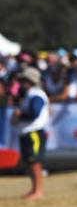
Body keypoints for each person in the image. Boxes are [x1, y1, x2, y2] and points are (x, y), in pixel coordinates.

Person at [11, 67, 49, 200]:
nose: (21, 83)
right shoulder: (30, 94)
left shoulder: (36, 94)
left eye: (24, 80)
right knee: (29, 162)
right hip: (28, 132)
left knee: (35, 162)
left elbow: (34, 113)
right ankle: (34, 189)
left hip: (34, 133)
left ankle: (38, 191)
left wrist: (19, 115)